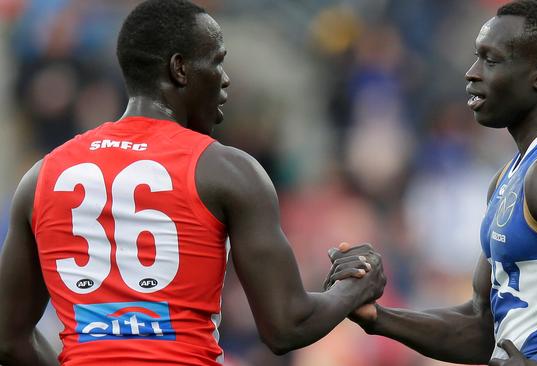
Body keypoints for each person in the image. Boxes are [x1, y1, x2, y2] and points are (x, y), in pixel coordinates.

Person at [0, 0, 385, 365]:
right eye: (217, 61)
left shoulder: (42, 177)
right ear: (180, 69)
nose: (226, 80)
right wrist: (354, 287)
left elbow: (7, 338)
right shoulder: (227, 171)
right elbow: (286, 326)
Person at [326, 0, 537, 365]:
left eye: (490, 60)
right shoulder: (514, 173)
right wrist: (377, 317)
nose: (471, 73)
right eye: (476, 57)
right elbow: (482, 328)